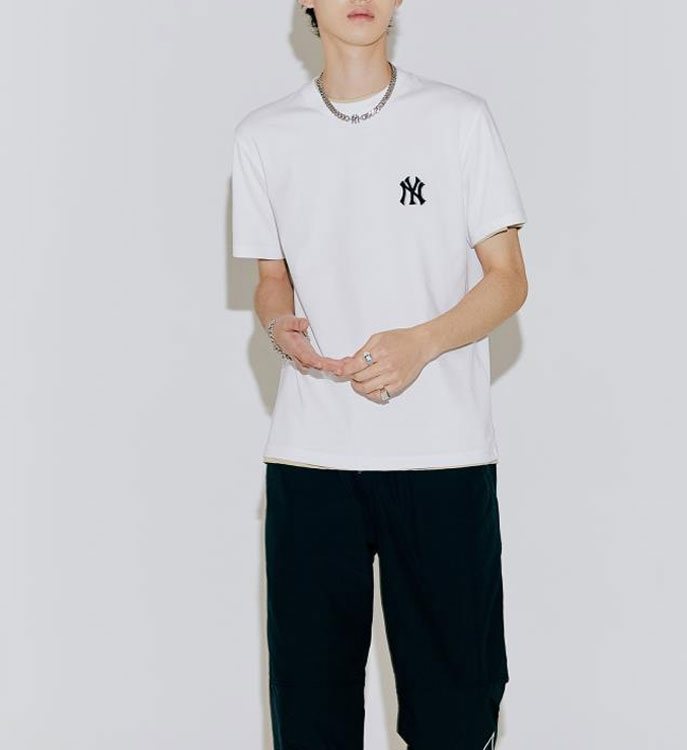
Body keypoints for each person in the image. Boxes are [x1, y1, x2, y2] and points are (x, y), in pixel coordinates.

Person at [231, 2, 529, 747]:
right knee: (310, 718)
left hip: (441, 455)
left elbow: (507, 279)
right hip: (311, 459)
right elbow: (272, 279)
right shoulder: (265, 135)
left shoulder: (459, 120)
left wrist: (421, 344)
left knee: (455, 715)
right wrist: (278, 325)